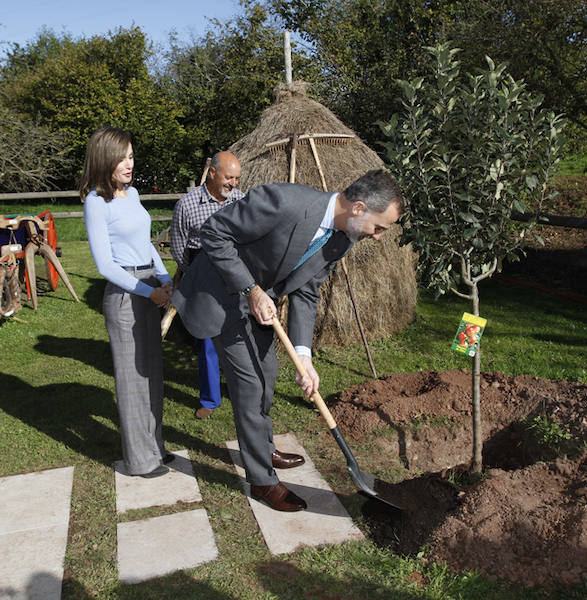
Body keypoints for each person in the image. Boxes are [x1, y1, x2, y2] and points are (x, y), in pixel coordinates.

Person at [171, 170, 404, 511]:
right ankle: (262, 480)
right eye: (379, 227)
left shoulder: (341, 239)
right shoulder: (283, 202)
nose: (379, 236)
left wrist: (304, 356)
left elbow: (307, 291)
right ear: (358, 208)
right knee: (250, 386)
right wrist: (251, 289)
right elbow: (214, 233)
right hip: (221, 296)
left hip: (259, 308)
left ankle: (263, 448)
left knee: (267, 377)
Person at [81, 126, 175, 478]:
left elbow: (147, 244)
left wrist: (164, 279)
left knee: (152, 375)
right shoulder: (95, 202)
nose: (129, 163)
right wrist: (149, 292)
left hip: (150, 283)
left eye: (132, 156)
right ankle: (140, 461)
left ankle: (156, 448)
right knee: (132, 380)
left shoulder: (132, 194)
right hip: (125, 295)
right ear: (105, 158)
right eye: (122, 157)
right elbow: (105, 265)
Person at [170, 151, 244, 419]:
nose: (233, 184)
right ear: (212, 173)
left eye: (236, 178)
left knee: (240, 335)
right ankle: (210, 399)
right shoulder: (187, 205)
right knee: (207, 339)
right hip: (201, 275)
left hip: (236, 275)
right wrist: (197, 277)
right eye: (228, 177)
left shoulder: (240, 200)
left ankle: (240, 390)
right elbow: (178, 247)